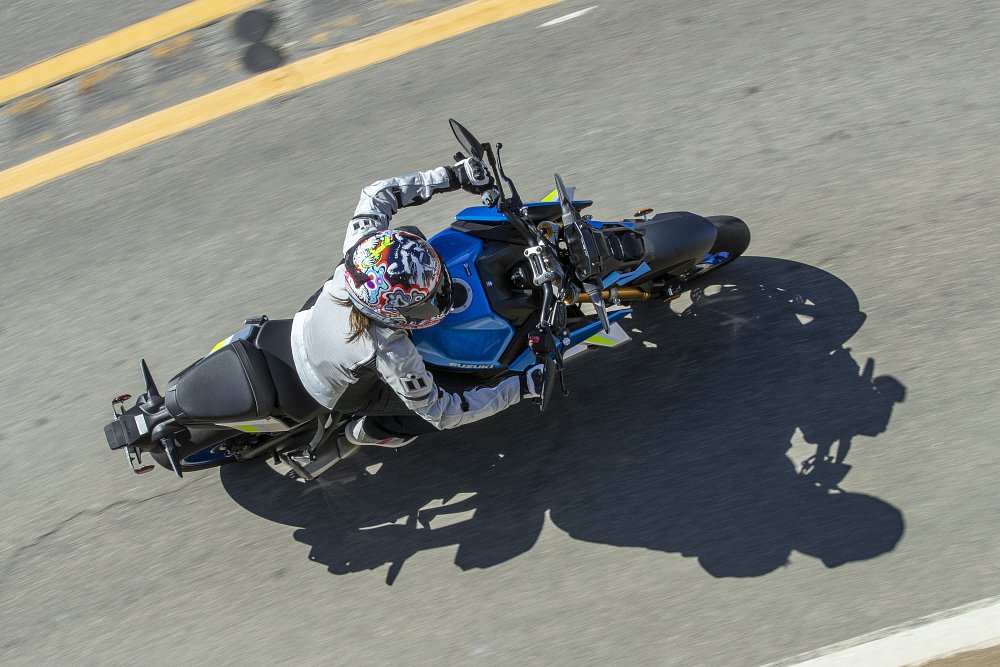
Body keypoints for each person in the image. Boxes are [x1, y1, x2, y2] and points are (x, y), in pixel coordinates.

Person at [289, 156, 544, 452]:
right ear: (387, 315)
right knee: (442, 398)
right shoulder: (391, 352)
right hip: (330, 387)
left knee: (408, 233)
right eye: (422, 305)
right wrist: (520, 387)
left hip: (306, 326)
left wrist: (452, 176)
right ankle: (371, 430)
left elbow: (378, 194)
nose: (439, 296)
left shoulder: (364, 247)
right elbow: (444, 412)